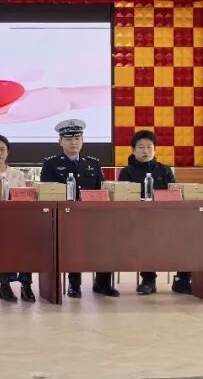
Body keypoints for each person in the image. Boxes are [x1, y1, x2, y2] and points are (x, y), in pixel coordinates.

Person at [40, 119, 119, 298]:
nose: (73, 142)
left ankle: (102, 283)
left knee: (106, 239)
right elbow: (47, 193)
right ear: (60, 142)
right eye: (68, 139)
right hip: (64, 217)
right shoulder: (51, 164)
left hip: (92, 216)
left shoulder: (93, 163)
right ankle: (74, 285)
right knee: (72, 245)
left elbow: (101, 190)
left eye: (77, 138)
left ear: (83, 140)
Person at [117, 129, 190, 295]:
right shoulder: (127, 172)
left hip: (165, 219)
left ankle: (182, 280)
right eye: (141, 147)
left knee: (188, 235)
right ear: (133, 150)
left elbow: (174, 194)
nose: (146, 151)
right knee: (145, 236)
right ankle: (148, 280)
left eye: (149, 147)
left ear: (155, 149)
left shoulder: (165, 170)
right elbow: (123, 199)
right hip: (137, 221)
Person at [0, 135, 36, 304]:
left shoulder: (17, 174)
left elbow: (24, 199)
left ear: (7, 152)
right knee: (3, 239)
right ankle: (5, 284)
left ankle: (26, 284)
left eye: (2, 149)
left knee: (28, 241)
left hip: (16, 221)